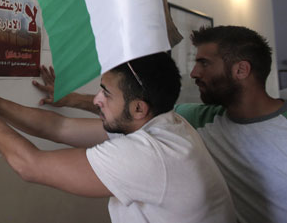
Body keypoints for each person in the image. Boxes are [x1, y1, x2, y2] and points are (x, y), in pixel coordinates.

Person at [33, 26, 287, 223]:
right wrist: (71, 99)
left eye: (205, 63)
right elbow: (138, 107)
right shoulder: (195, 119)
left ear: (241, 70)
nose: (195, 72)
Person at [0, 52, 235, 222]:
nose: (96, 100)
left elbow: (30, 165)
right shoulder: (163, 123)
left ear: (139, 108)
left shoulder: (149, 155)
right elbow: (58, 127)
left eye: (106, 93)